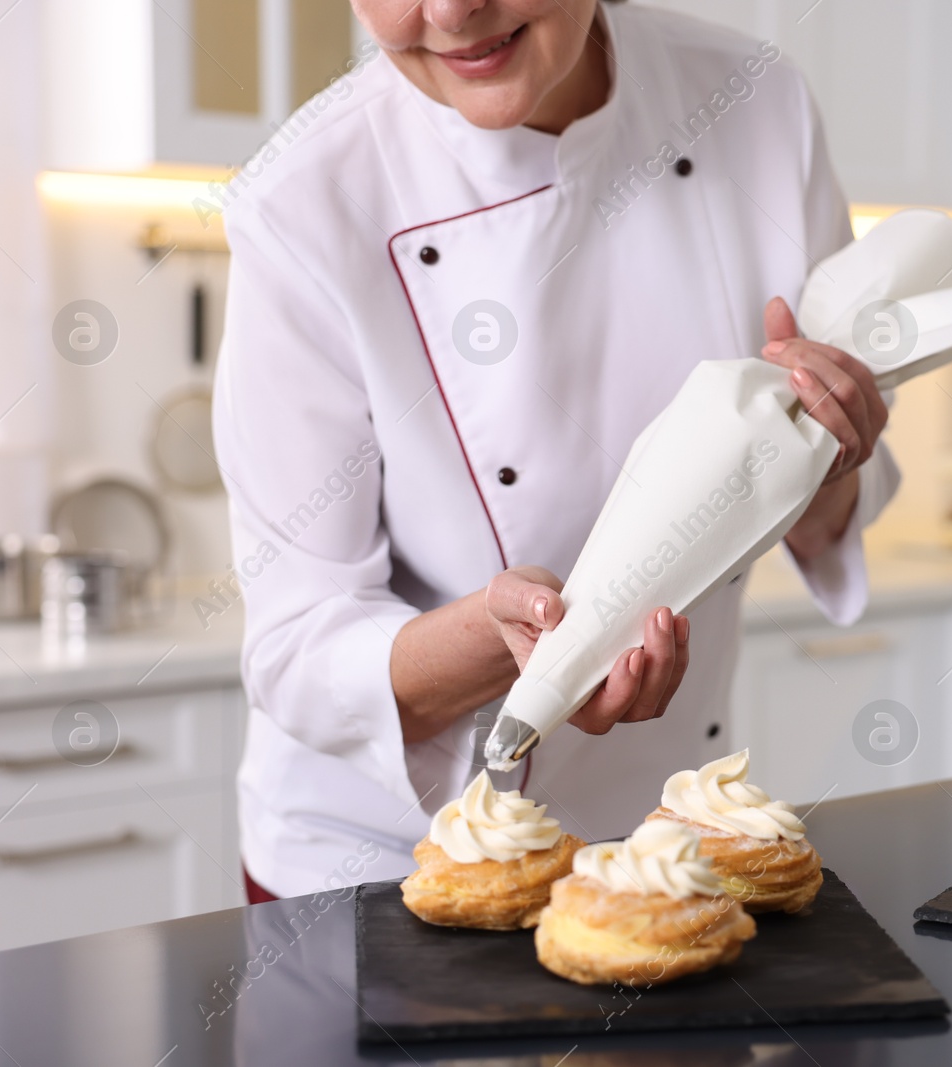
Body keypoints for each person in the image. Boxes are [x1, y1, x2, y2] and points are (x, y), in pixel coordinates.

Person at [213, 0, 899, 900]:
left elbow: (821, 508)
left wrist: (829, 447)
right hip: (386, 868)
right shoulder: (302, 200)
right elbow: (298, 647)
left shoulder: (753, 101)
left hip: (662, 841)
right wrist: (520, 646)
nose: (454, 11)